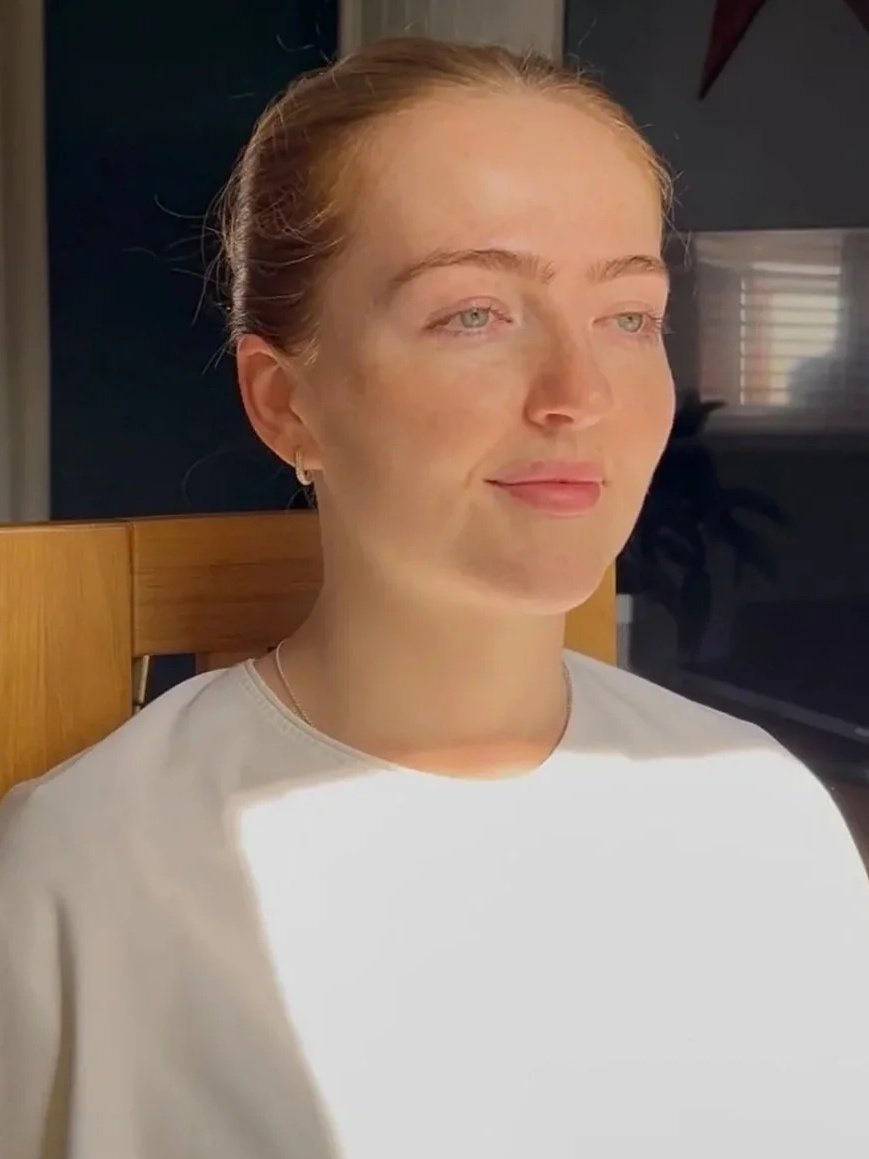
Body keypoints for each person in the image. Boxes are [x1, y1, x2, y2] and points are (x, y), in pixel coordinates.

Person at [2, 36, 869, 1159]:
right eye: (473, 313)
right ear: (285, 403)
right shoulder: (81, 877)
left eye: (627, 315)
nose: (580, 395)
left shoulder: (762, 808)